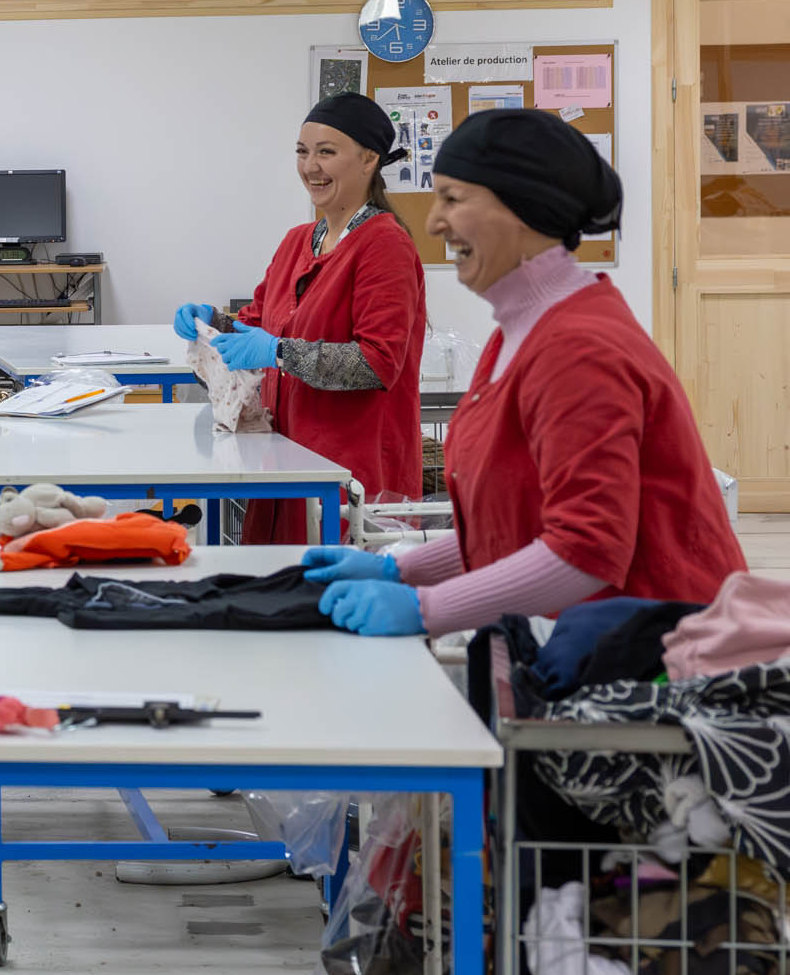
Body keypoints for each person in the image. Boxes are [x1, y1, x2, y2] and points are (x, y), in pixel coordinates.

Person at [309, 108, 745, 636]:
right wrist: (400, 568)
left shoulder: (579, 348)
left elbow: (585, 551)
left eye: (453, 198)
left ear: (520, 207)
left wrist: (429, 610)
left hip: (657, 662)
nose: (433, 222)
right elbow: (515, 524)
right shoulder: (518, 331)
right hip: (591, 644)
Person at [172, 92, 427, 543]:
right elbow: (258, 323)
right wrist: (212, 322)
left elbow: (376, 362)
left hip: (351, 469)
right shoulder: (297, 241)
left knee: (334, 599)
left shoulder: (384, 245)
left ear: (369, 159)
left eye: (326, 152)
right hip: (285, 457)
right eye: (302, 152)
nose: (311, 166)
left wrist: (277, 352)